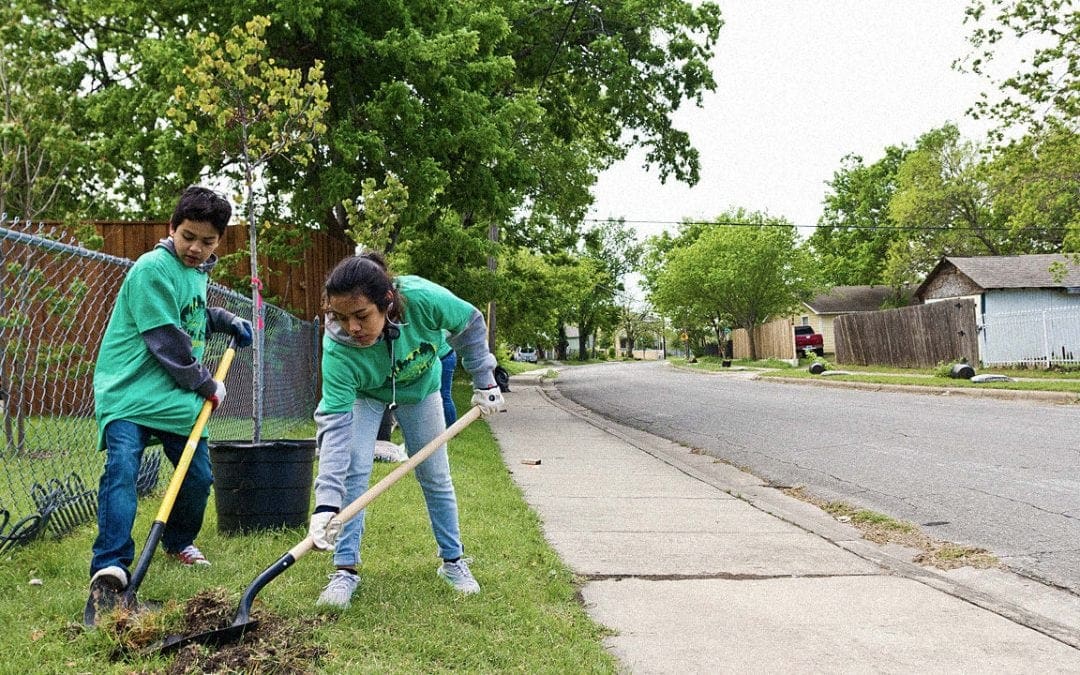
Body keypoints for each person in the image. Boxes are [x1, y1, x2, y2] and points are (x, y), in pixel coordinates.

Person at [86, 186, 253, 619]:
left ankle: (178, 541)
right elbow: (167, 342)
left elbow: (191, 313)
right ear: (171, 229)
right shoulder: (151, 268)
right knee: (122, 470)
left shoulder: (196, 272)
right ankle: (110, 564)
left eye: (208, 241)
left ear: (220, 241)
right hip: (130, 392)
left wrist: (224, 319)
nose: (196, 248)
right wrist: (207, 385)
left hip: (174, 398)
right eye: (188, 237)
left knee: (197, 478)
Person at [307, 252, 504, 609]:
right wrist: (325, 504)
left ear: (387, 303)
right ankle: (345, 570)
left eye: (361, 316)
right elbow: (334, 428)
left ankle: (453, 562)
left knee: (435, 474)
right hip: (365, 394)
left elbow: (470, 322)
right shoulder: (337, 348)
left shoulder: (422, 299)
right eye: (340, 317)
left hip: (420, 388)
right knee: (353, 468)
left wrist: (485, 379)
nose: (351, 327)